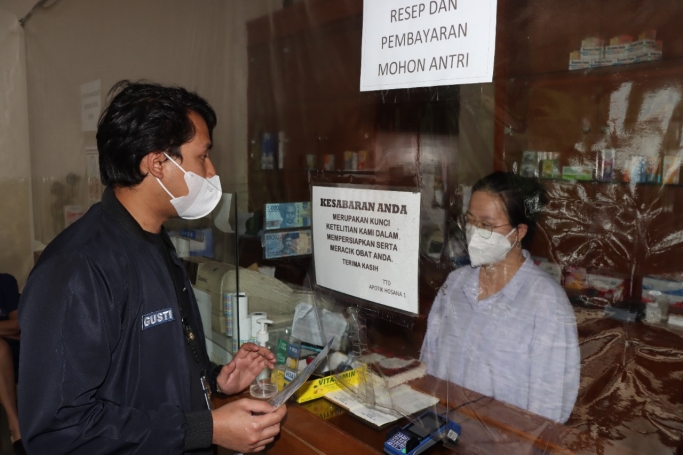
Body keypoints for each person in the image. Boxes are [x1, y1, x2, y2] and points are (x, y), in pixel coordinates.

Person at [18, 81, 286, 454]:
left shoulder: (154, 239)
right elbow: (59, 431)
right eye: (202, 157)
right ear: (157, 163)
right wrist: (202, 429)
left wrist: (213, 381)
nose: (211, 172)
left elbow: (145, 372)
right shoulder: (77, 270)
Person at [420, 171, 580, 423]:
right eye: (470, 221)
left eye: (486, 225)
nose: (473, 232)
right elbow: (429, 362)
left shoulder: (545, 303)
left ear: (518, 232)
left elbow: (549, 408)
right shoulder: (456, 284)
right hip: (441, 435)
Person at [0, 273, 24, 455]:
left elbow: (16, 325)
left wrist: (11, 331)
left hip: (12, 353)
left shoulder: (5, 282)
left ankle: (15, 428)